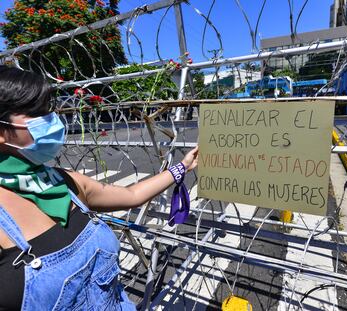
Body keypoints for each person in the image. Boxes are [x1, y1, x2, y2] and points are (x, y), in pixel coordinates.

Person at [0, 65, 198, 311]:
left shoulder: (65, 182)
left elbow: (132, 195)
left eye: (48, 110)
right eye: (36, 113)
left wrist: (182, 167)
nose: (51, 120)